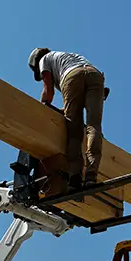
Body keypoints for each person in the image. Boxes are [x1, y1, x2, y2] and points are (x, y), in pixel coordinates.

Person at [28, 48, 109, 191]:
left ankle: (75, 177)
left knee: (74, 131)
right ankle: (91, 175)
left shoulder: (43, 60)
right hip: (95, 75)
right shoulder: (68, 56)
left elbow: (48, 91)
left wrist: (42, 109)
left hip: (72, 77)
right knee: (93, 126)